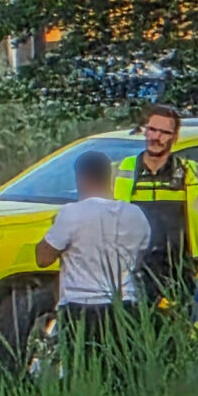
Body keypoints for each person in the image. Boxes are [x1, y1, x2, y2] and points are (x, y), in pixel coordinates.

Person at [36, 150, 152, 380]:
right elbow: (139, 258)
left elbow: (43, 258)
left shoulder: (71, 213)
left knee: (83, 377)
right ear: (109, 176)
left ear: (82, 178)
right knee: (121, 379)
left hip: (81, 310)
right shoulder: (136, 215)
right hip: (125, 308)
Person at [112, 103, 198, 314]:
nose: (156, 137)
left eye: (164, 132)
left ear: (174, 137)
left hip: (180, 269)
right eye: (152, 129)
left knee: (179, 325)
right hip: (134, 268)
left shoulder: (194, 172)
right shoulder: (121, 170)